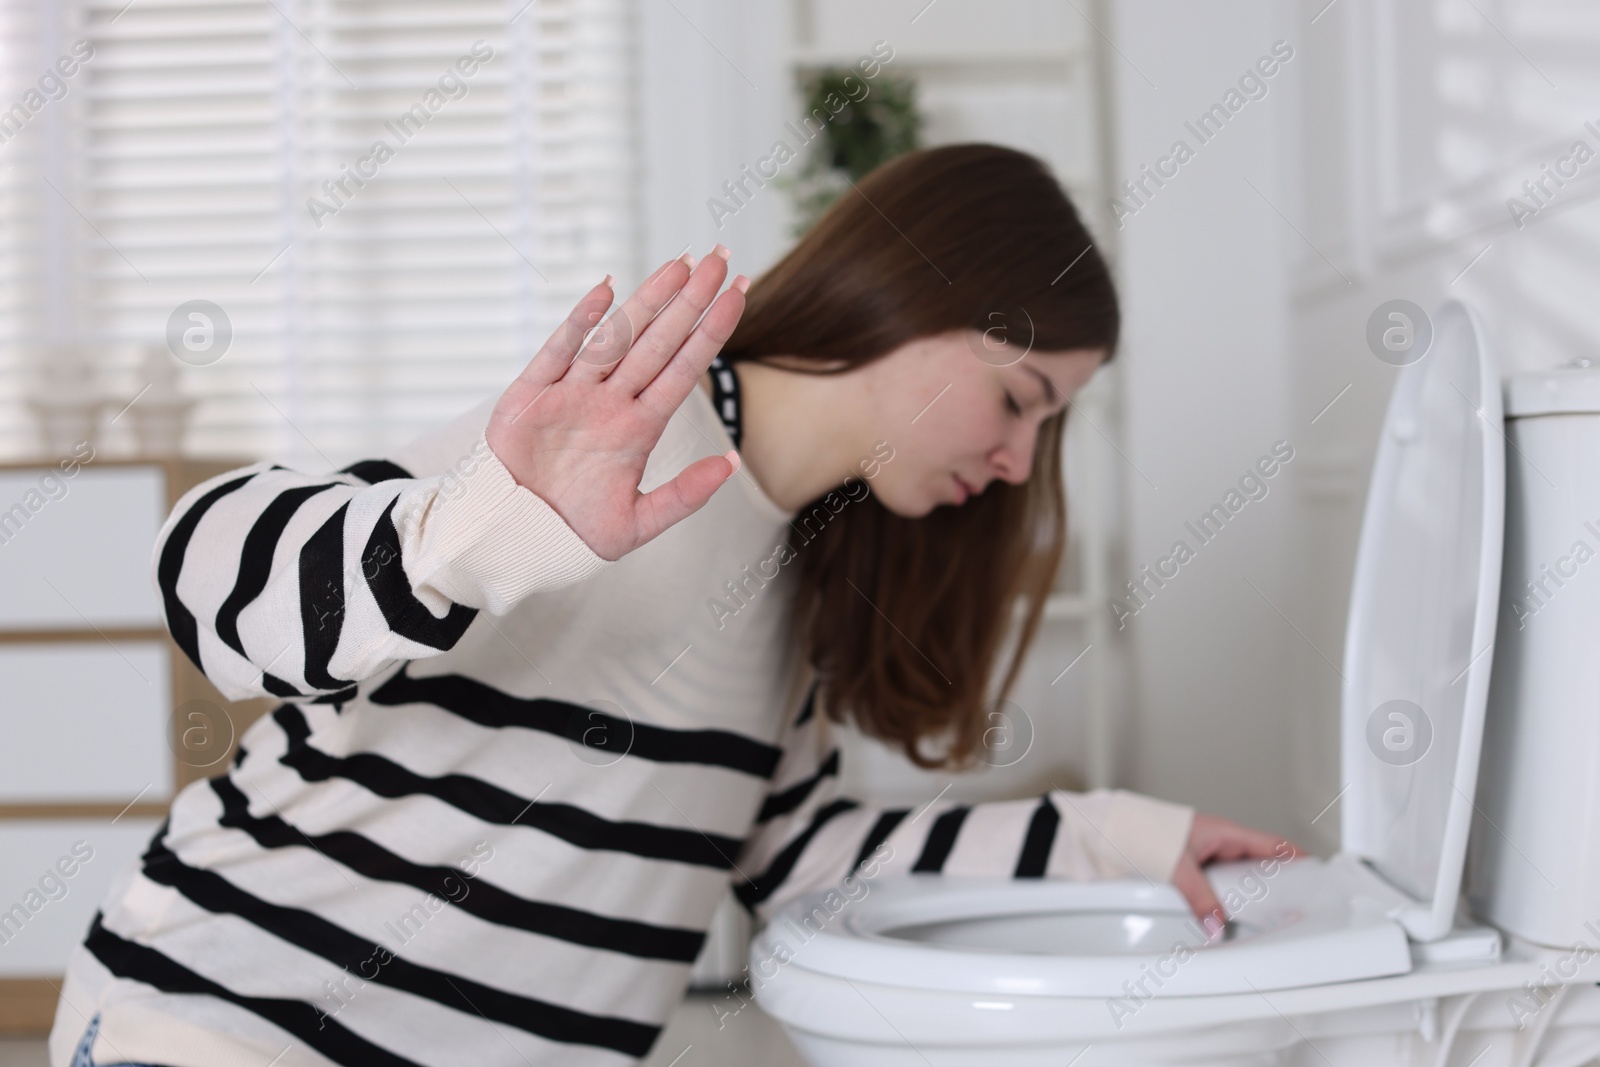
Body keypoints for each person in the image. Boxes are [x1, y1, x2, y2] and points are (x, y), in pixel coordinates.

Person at [50, 143, 1292, 1067]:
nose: (1021, 464)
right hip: (227, 1022)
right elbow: (207, 575)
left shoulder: (805, 564)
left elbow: (793, 855)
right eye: (1019, 397)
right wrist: (482, 531)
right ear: (917, 298)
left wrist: (1117, 839)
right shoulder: (625, 443)